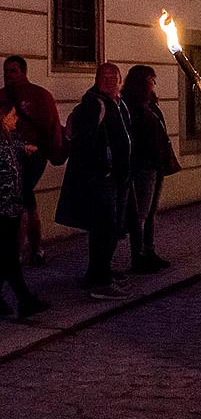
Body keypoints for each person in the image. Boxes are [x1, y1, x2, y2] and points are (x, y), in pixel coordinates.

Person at [55, 63, 133, 300]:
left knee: (108, 227)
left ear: (120, 80)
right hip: (102, 177)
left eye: (114, 76)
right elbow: (85, 141)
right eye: (104, 76)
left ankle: (99, 271)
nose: (109, 80)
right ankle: (101, 281)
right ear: (97, 79)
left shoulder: (118, 102)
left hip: (116, 175)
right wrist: (103, 167)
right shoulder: (94, 104)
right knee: (105, 227)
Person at [0, 56, 66, 267]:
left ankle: (29, 249)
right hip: (8, 154)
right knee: (21, 201)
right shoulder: (1, 96)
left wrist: (54, 153)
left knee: (23, 199)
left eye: (13, 71)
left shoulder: (39, 95)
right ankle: (26, 250)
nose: (9, 75)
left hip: (32, 155)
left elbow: (51, 126)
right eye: (6, 71)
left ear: (23, 72)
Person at [121, 65, 178, 274]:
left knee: (151, 211)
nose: (152, 84)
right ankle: (139, 256)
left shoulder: (150, 104)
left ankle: (149, 250)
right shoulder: (131, 107)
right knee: (141, 213)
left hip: (156, 164)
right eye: (150, 80)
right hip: (142, 165)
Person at [0, 101, 50, 318]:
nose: (16, 119)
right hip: (4, 209)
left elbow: (17, 149)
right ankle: (25, 300)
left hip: (10, 207)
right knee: (9, 257)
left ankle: (20, 300)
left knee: (6, 256)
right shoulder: (2, 147)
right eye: (12, 115)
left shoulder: (8, 142)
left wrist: (27, 148)